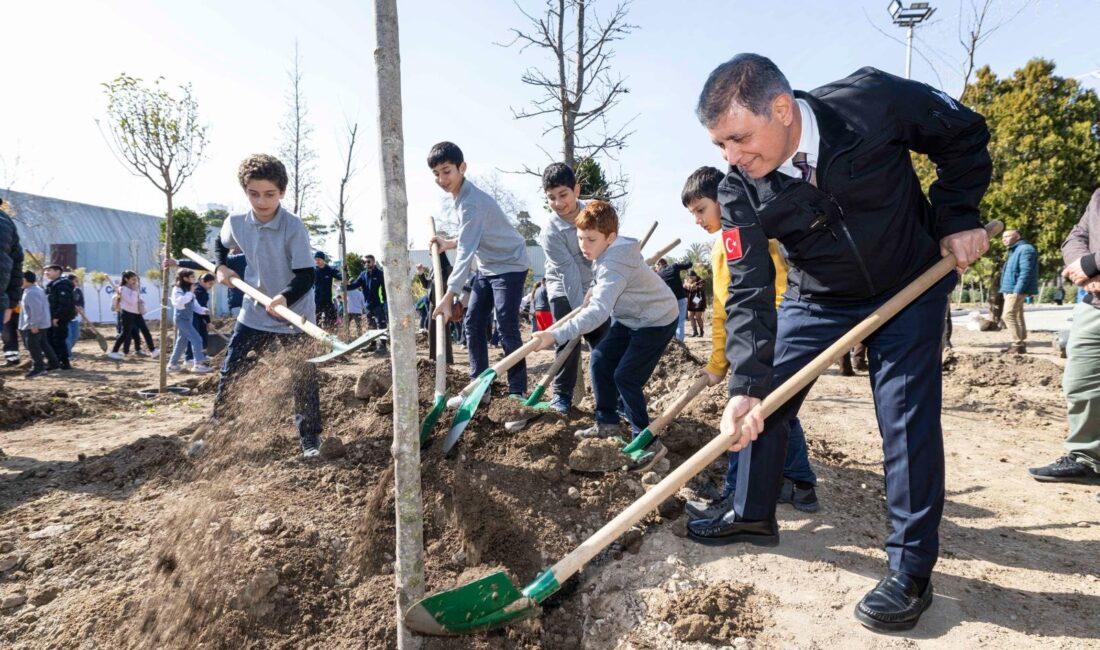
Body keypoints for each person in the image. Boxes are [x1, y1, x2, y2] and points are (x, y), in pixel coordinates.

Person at [687, 55, 991, 632]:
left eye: (739, 138)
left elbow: (963, 133)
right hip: (818, 297)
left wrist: (958, 216)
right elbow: (749, 289)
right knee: (765, 397)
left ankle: (910, 571)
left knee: (905, 419)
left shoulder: (870, 102)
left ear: (782, 110)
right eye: (720, 144)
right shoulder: (737, 189)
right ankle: (751, 512)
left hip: (908, 283)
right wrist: (744, 385)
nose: (730, 156)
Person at [679, 166, 819, 518]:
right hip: (769, 334)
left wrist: (755, 348)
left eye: (701, 209)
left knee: (745, 411)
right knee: (777, 409)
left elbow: (769, 296)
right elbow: (726, 311)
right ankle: (800, 484)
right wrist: (716, 363)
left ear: (724, 198)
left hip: (767, 337)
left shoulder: (746, 236)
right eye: (692, 213)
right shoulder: (731, 241)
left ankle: (733, 496)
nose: (697, 220)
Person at [532, 200, 678, 444]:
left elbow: (598, 313)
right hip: (629, 318)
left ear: (610, 237)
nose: (583, 245)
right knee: (600, 360)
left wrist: (554, 334)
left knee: (626, 376)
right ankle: (607, 424)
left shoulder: (615, 263)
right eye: (580, 238)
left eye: (591, 239)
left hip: (656, 320)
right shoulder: (607, 251)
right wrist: (594, 288)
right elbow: (603, 276)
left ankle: (646, 440)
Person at [213, 154, 323, 458]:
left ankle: (310, 439)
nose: (261, 201)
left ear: (282, 192)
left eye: (269, 194)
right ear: (245, 191)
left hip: (295, 313)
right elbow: (220, 243)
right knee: (231, 370)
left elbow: (307, 274)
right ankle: (217, 432)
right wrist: (221, 267)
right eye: (254, 194)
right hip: (254, 310)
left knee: (303, 377)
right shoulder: (236, 221)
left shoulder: (293, 227)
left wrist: (284, 297)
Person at [428, 142, 530, 398]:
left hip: (510, 264)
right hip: (488, 266)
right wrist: (449, 242)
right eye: (436, 174)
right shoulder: (461, 197)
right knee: (473, 322)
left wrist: (449, 295)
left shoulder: (471, 203)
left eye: (447, 171)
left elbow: (466, 252)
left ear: (462, 168)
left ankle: (517, 391)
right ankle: (479, 386)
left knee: (506, 325)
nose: (442, 179)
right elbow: (471, 235)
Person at [1029, 188, 1100, 501]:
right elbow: (1076, 236)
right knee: (1081, 383)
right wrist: (1084, 268)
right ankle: (1088, 458)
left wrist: (1093, 263)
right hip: (1095, 301)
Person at [539, 162, 608, 413]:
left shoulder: (596, 213)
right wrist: (582, 313)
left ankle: (610, 400)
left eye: (563, 195)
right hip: (562, 286)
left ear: (576, 190)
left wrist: (598, 294)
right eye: (551, 197)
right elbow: (567, 272)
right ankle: (562, 395)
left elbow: (608, 253)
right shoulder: (550, 231)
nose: (558, 203)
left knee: (603, 342)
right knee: (566, 339)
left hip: (594, 284)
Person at [999, 229, 1038, 354]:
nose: (1004, 239)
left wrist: (1018, 290)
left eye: (1007, 236)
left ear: (1017, 236)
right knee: (1017, 315)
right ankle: (1021, 343)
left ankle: (1017, 343)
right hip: (1010, 288)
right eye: (1003, 237)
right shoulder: (1014, 250)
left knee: (1007, 315)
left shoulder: (1025, 249)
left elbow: (1026, 272)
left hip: (1016, 289)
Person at [166, 269, 212, 373]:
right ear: (185, 278)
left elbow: (194, 305)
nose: (195, 279)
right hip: (181, 319)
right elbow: (179, 302)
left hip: (188, 319)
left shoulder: (189, 290)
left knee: (182, 342)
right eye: (192, 277)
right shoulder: (177, 289)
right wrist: (190, 292)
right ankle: (198, 364)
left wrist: (203, 310)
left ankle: (172, 365)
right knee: (197, 339)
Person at [108, 271, 156, 360]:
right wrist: (134, 290)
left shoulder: (133, 288)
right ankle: (114, 352)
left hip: (136, 313)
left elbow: (136, 300)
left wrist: (139, 299)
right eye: (133, 279)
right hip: (127, 314)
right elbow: (132, 301)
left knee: (145, 331)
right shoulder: (123, 289)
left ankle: (153, 350)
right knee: (125, 333)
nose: (135, 281)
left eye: (136, 279)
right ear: (126, 279)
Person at [18, 271, 57, 378]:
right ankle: (54, 363)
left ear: (24, 279)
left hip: (35, 325)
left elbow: (36, 311)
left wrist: (34, 325)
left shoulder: (31, 293)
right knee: (44, 343)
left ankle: (39, 367)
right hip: (42, 323)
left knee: (33, 346)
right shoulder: (36, 289)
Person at [348, 254, 388, 353]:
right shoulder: (363, 274)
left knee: (381, 325)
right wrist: (345, 287)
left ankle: (383, 346)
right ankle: (372, 345)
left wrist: (385, 303)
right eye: (365, 262)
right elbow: (355, 284)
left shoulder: (380, 274)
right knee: (371, 326)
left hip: (378, 304)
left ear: (373, 262)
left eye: (368, 261)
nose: (366, 263)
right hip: (368, 305)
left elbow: (384, 289)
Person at [0, 198, 22, 367]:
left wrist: (11, 303)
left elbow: (15, 265)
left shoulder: (6, 222)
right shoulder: (7, 222)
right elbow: (16, 266)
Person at [43, 264, 75, 370]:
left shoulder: (62, 285)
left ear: (58, 272)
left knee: (58, 340)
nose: (46, 273)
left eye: (49, 270)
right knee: (50, 339)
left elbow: (64, 303)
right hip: (52, 317)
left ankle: (64, 362)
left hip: (59, 318)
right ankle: (54, 362)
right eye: (46, 271)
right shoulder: (53, 285)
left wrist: (57, 317)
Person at [655, 257, 694, 342]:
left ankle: (671, 342)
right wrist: (685, 261)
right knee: (680, 321)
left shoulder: (658, 275)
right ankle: (679, 342)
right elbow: (689, 264)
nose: (656, 269)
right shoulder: (674, 266)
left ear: (659, 264)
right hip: (680, 298)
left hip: (668, 301)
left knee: (669, 322)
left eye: (656, 267)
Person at [184, 273, 215, 363]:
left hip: (200, 318)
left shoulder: (203, 291)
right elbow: (202, 307)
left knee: (203, 336)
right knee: (194, 337)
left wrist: (207, 321)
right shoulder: (198, 291)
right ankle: (189, 357)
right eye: (210, 283)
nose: (211, 286)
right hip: (193, 317)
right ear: (202, 281)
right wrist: (208, 322)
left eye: (212, 284)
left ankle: (202, 355)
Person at [313, 251, 342, 329]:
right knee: (316, 321)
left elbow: (340, 276)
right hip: (317, 301)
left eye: (318, 259)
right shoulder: (314, 271)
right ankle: (317, 335)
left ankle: (332, 333)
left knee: (332, 321)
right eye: (316, 259)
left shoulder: (329, 269)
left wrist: (345, 273)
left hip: (328, 300)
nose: (317, 261)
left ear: (323, 260)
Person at [64, 273, 85, 355]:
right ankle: (67, 354)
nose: (77, 283)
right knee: (68, 337)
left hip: (75, 318)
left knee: (75, 336)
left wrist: (80, 307)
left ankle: (67, 350)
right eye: (75, 281)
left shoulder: (78, 291)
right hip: (65, 317)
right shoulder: (64, 291)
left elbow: (81, 302)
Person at [684, 271, 706, 337]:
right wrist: (685, 286)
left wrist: (692, 286)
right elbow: (686, 290)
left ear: (695, 276)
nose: (690, 278)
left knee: (698, 317)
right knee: (690, 316)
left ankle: (701, 331)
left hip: (698, 301)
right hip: (690, 301)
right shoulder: (688, 282)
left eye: (691, 277)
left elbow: (701, 288)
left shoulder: (701, 281)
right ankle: (695, 331)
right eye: (689, 277)